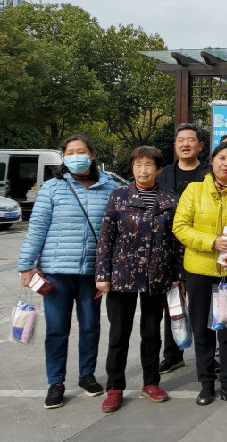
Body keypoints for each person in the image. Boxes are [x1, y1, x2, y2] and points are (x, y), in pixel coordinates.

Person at [18, 135, 118, 410]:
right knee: (57, 329)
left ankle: (87, 375)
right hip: (56, 272)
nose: (75, 156)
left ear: (92, 155)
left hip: (92, 273)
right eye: (70, 152)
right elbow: (37, 227)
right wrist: (26, 265)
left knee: (90, 326)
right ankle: (56, 383)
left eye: (80, 151)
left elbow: (117, 230)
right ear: (64, 157)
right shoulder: (52, 188)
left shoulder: (110, 187)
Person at [95, 146, 180, 413]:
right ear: (132, 168)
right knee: (119, 333)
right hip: (122, 275)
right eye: (138, 164)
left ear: (158, 169)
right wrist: (102, 275)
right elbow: (106, 237)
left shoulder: (170, 199)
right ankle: (114, 387)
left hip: (157, 275)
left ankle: (150, 382)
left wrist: (177, 275)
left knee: (152, 333)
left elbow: (177, 242)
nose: (143, 170)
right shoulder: (119, 196)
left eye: (148, 165)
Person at [173, 141, 227, 407]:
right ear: (212, 161)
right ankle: (206, 384)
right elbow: (180, 227)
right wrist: (212, 242)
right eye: (221, 158)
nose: (226, 164)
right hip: (199, 272)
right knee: (202, 330)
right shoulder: (194, 191)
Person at [158, 122, 208, 375]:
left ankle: (207, 357)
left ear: (200, 145)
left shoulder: (210, 173)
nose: (185, 144)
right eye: (181, 140)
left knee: (203, 306)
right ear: (175, 145)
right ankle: (173, 354)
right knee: (173, 303)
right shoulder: (163, 174)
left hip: (201, 246)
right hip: (169, 248)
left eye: (191, 140)